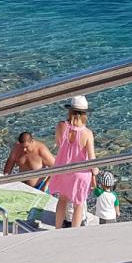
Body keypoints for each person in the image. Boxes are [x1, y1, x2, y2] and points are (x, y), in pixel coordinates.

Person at [48, 95, 96, 228]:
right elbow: (92, 159)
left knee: (62, 200)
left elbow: (58, 143)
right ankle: (74, 234)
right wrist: (95, 173)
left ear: (69, 111)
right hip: (80, 173)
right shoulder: (87, 133)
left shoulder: (61, 126)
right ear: (85, 114)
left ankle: (58, 228)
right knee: (78, 204)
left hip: (62, 169)